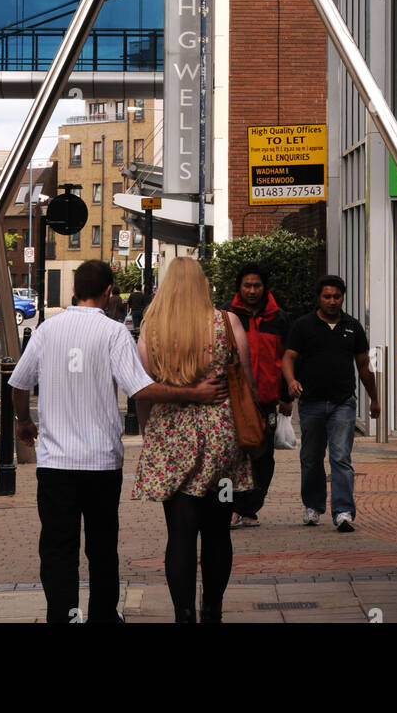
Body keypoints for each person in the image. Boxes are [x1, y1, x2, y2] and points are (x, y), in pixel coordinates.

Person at [10, 259, 226, 625]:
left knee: (57, 548)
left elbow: (17, 383)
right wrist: (195, 393)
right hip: (100, 463)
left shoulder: (47, 331)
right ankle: (103, 616)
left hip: (55, 464)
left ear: (74, 290)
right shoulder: (113, 333)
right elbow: (140, 388)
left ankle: (62, 616)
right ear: (109, 292)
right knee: (101, 547)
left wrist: (24, 421)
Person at [132, 258, 255, 623]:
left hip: (171, 439)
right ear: (203, 285)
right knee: (218, 532)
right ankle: (212, 610)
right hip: (222, 440)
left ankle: (183, 614)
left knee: (180, 534)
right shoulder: (227, 322)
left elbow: (143, 391)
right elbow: (245, 382)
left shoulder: (151, 329)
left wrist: (146, 432)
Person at [281, 274, 379, 533]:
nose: (333, 301)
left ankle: (343, 511)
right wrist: (291, 382)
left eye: (337, 296)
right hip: (311, 403)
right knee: (311, 458)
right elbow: (288, 358)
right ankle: (312, 506)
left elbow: (364, 366)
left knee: (340, 457)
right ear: (318, 298)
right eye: (327, 296)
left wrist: (375, 399)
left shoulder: (353, 327)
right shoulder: (303, 326)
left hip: (342, 403)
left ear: (342, 297)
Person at [220, 262, 292, 529]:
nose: (252, 290)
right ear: (239, 287)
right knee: (228, 457)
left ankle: (250, 508)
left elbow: (287, 358)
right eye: (247, 285)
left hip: (266, 399)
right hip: (233, 400)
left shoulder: (279, 318)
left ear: (264, 287)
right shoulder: (226, 315)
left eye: (257, 285)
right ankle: (228, 507)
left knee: (263, 458)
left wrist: (286, 396)